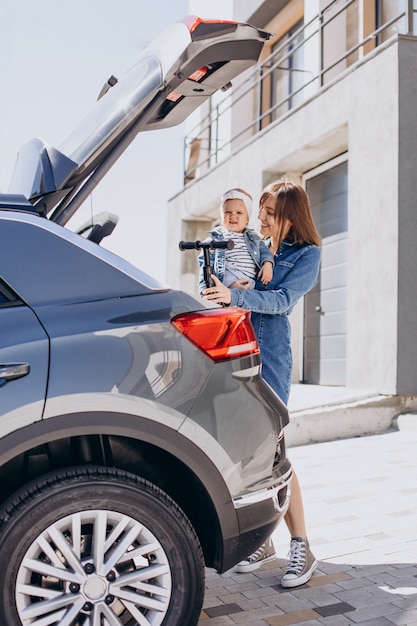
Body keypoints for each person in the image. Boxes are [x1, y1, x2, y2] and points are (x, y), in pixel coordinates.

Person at [202, 179, 321, 588]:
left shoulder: (306, 255)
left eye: (270, 213)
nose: (263, 219)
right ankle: (265, 541)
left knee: (275, 450)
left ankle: (301, 545)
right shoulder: (247, 244)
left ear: (290, 214)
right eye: (262, 212)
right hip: (234, 354)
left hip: (268, 357)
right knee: (249, 450)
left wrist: (235, 298)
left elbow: (281, 301)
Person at [197, 188, 274, 294]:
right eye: (228, 212)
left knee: (261, 290)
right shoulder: (215, 238)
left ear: (247, 219)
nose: (233, 216)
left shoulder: (253, 238)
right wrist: (204, 290)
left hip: (250, 281)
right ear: (221, 216)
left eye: (239, 212)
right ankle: (229, 292)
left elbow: (265, 253)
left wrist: (267, 265)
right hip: (227, 278)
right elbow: (204, 264)